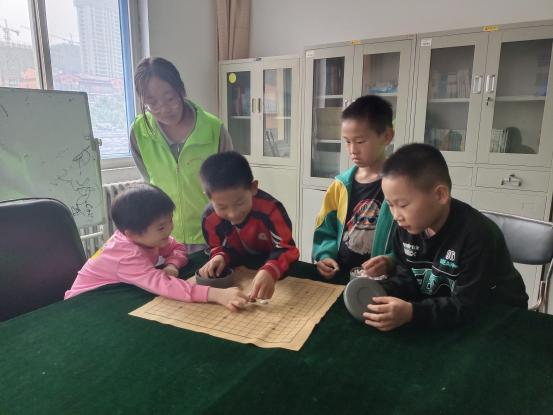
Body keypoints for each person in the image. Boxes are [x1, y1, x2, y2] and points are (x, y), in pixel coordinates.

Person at [363, 143, 528, 331]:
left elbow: (469, 305)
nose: (396, 216)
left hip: (499, 318)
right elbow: (407, 277)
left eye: (402, 204)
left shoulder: (477, 234)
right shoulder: (407, 227)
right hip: (444, 310)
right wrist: (381, 290)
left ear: (440, 195)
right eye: (390, 205)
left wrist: (412, 313)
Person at [65, 184, 247, 311]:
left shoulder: (148, 238)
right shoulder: (126, 255)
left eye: (170, 220)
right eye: (161, 227)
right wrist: (218, 295)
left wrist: (172, 265)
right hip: (85, 303)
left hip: (116, 294)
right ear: (132, 234)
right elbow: (166, 286)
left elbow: (177, 248)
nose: (169, 229)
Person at [130, 57, 233, 253]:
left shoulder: (213, 129)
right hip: (163, 239)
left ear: (180, 89)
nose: (163, 109)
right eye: (152, 102)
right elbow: (148, 183)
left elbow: (230, 187)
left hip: (210, 236)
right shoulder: (139, 132)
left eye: (170, 98)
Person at [312, 95, 396, 280]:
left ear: (387, 136)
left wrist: (391, 260)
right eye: (347, 141)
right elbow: (326, 229)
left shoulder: (402, 186)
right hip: (341, 277)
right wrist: (324, 256)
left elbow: (416, 241)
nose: (352, 150)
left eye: (360, 141)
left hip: (385, 284)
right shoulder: (340, 185)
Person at [198, 151, 299, 301]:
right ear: (209, 197)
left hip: (272, 265)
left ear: (253, 188)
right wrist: (220, 256)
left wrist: (271, 270)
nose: (232, 214)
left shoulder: (271, 209)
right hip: (240, 276)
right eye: (222, 207)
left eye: (239, 203)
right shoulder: (209, 218)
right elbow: (217, 246)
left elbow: (287, 248)